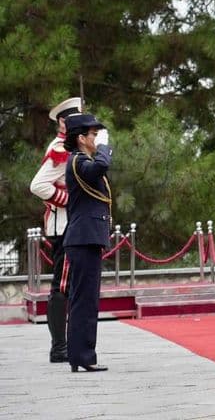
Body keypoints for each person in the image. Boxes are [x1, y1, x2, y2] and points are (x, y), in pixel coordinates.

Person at [30, 96, 82, 363]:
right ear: (63, 121)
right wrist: (69, 202)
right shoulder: (60, 147)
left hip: (69, 225)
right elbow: (38, 185)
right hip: (63, 226)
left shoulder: (72, 145)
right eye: (74, 118)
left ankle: (63, 344)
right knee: (61, 286)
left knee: (68, 285)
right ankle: (58, 347)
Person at [62, 113, 111, 372]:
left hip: (86, 238)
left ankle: (81, 356)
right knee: (84, 300)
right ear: (81, 138)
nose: (96, 138)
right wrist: (104, 147)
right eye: (93, 134)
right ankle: (81, 355)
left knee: (86, 299)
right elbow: (100, 168)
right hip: (84, 239)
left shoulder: (80, 161)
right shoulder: (80, 161)